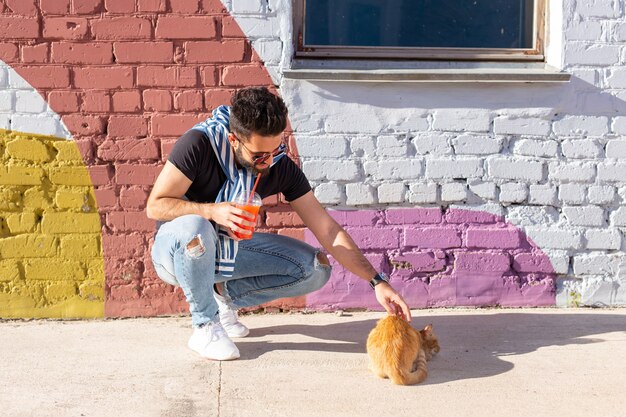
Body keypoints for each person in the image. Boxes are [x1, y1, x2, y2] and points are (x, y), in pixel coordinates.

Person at [147, 87, 411, 361]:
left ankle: (221, 295)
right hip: (177, 252)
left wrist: (377, 281)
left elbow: (328, 230)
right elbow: (155, 205)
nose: (269, 162)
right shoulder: (199, 145)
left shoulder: (278, 165)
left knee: (314, 268)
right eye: (260, 156)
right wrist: (211, 211)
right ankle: (205, 325)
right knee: (196, 226)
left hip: (227, 249)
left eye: (276, 149)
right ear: (233, 139)